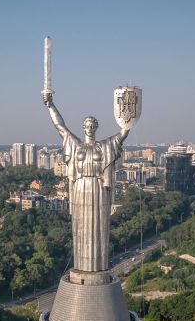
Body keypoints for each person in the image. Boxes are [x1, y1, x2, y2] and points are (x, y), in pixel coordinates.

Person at [43, 92, 130, 273]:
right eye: (87, 125)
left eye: (93, 125)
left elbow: (123, 132)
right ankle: (82, 266)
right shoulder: (76, 145)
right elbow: (60, 126)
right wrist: (50, 105)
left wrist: (128, 111)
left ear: (96, 127)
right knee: (80, 224)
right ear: (83, 128)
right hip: (80, 186)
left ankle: (98, 267)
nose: (90, 128)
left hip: (98, 187)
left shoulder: (104, 146)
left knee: (99, 223)